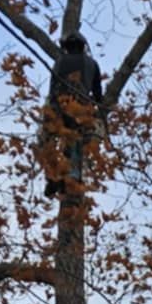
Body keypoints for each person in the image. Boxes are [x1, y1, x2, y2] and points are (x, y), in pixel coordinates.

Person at [40, 30, 107, 198]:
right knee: (76, 142)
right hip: (80, 109)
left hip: (58, 106)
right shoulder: (92, 64)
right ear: (83, 47)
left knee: (47, 139)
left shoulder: (60, 62)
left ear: (67, 47)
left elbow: (52, 89)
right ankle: (72, 176)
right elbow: (98, 95)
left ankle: (53, 176)